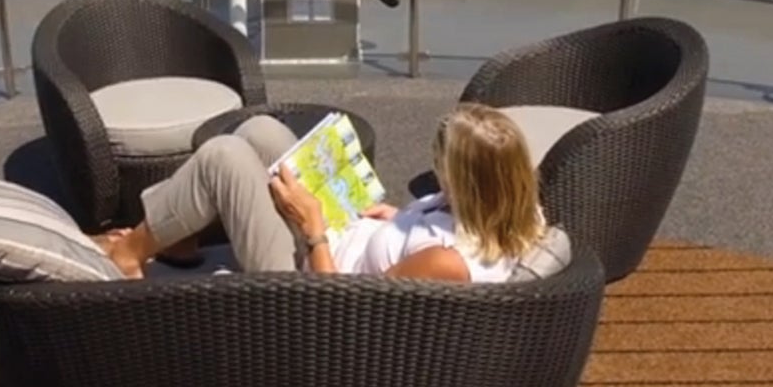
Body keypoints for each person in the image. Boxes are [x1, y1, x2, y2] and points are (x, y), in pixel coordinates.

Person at [98, 102, 571, 282]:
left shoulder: (448, 263)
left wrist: (314, 228)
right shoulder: (518, 211)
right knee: (262, 131)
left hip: (305, 284)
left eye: (440, 165)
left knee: (226, 156)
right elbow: (434, 235)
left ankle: (133, 252)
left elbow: (343, 317)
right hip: (339, 235)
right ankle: (176, 231)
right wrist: (400, 218)